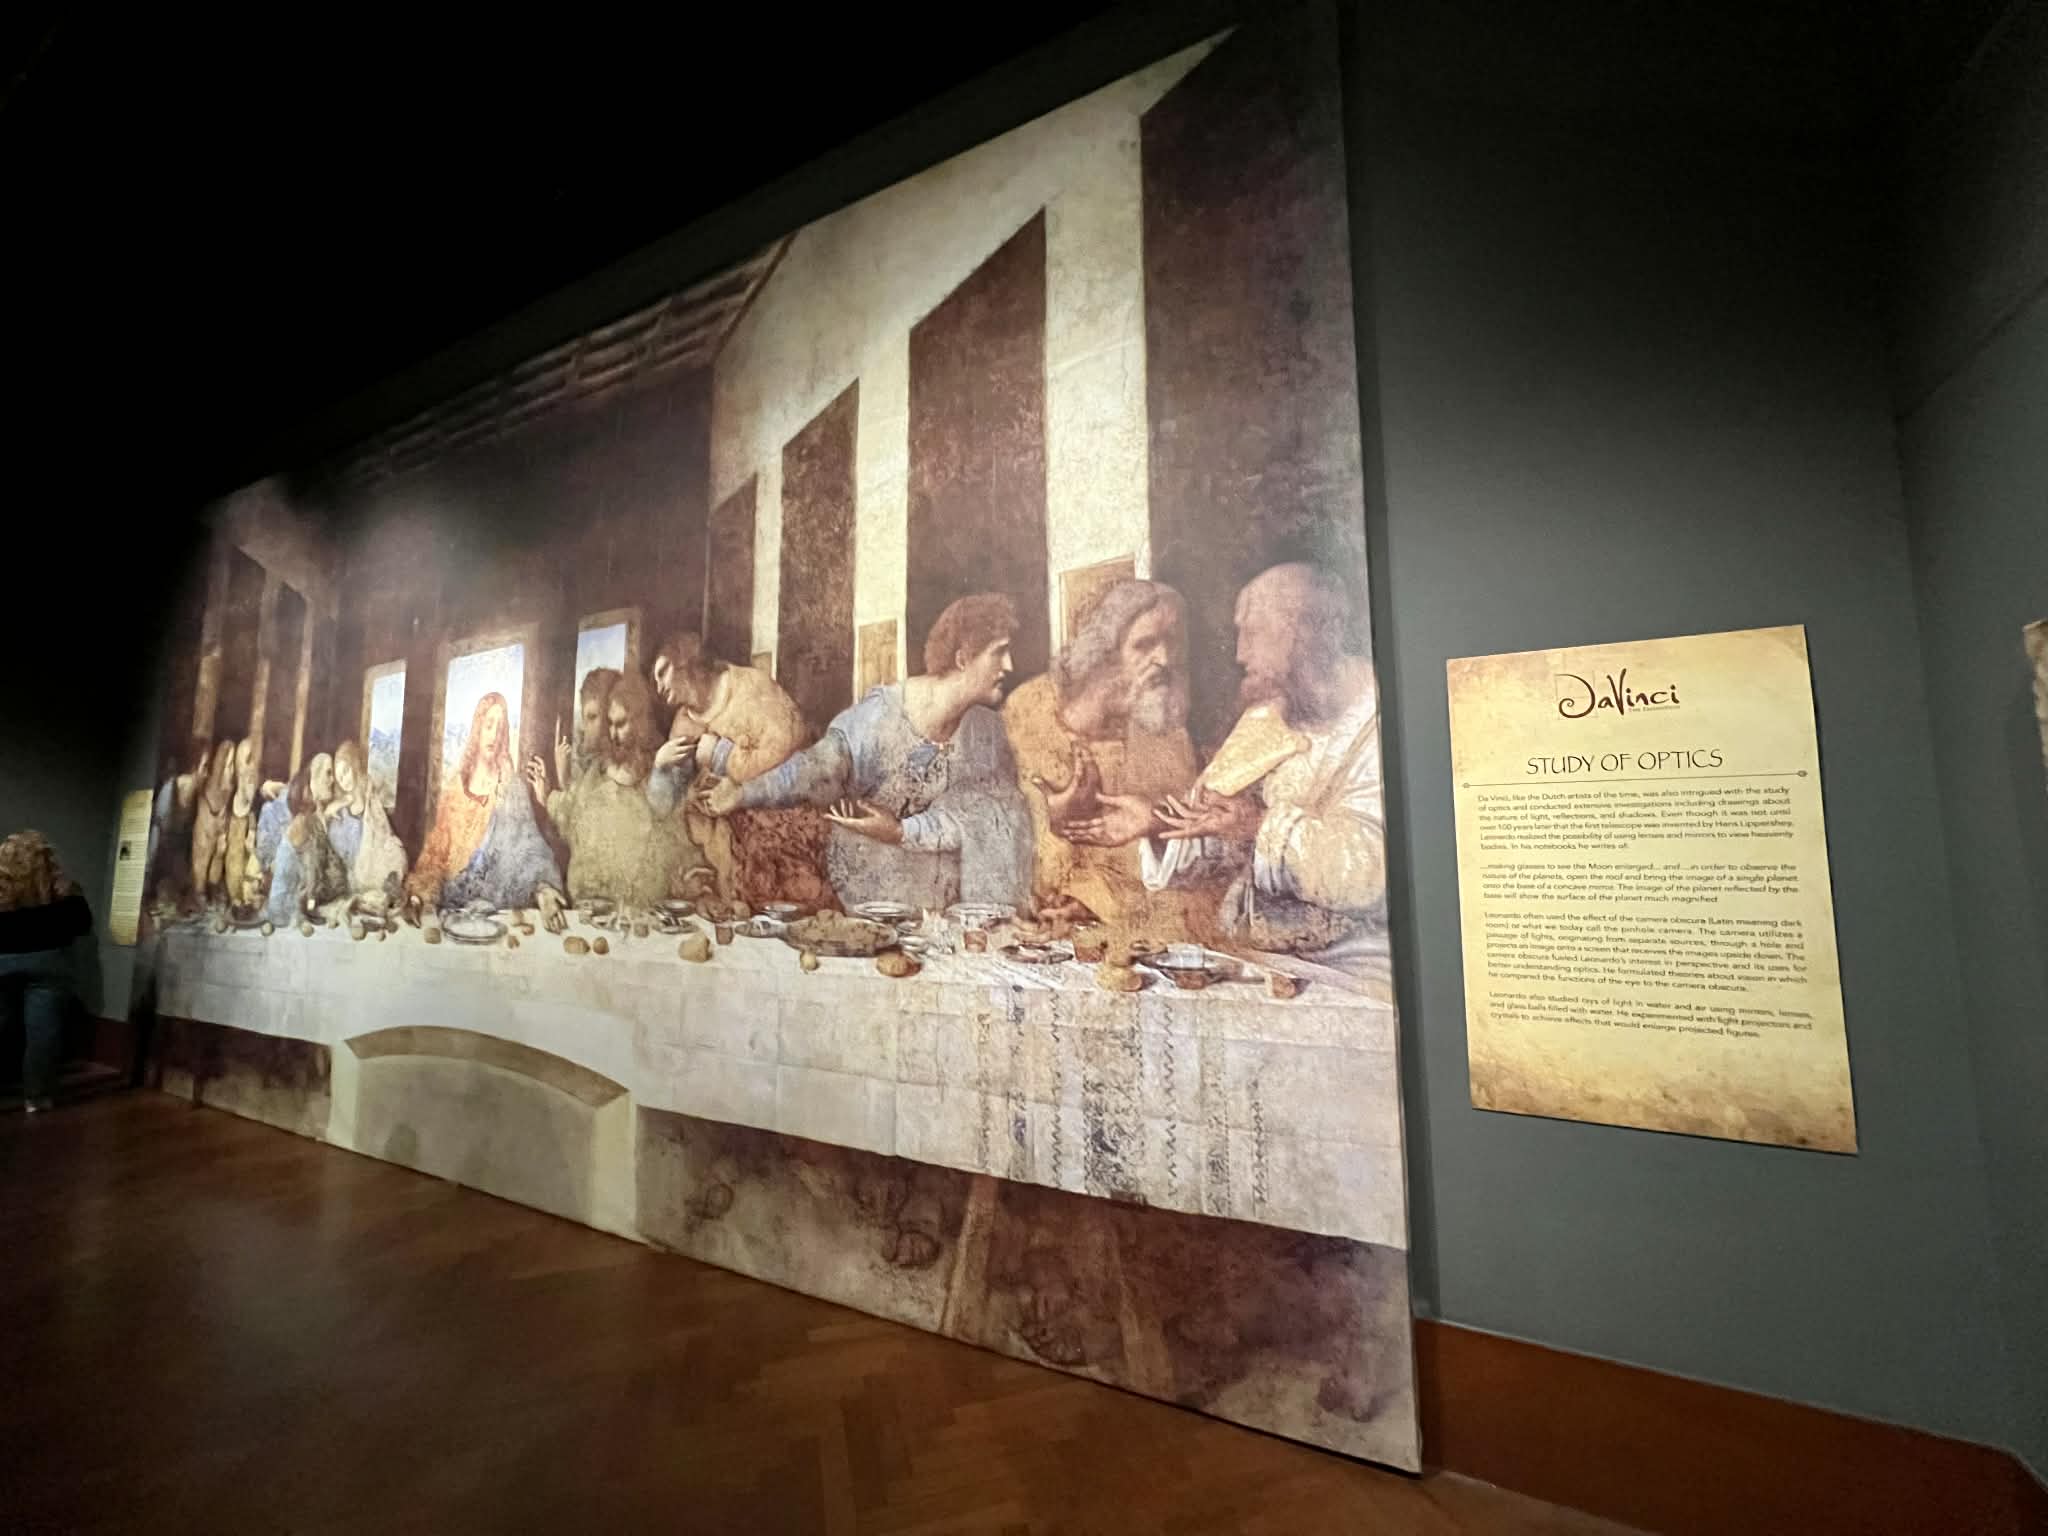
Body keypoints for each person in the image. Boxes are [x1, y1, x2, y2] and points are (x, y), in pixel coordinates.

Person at [698, 593, 1031, 912]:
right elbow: (815, 770)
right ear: (963, 658)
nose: (1010, 665)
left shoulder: (987, 731)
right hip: (872, 894)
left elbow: (988, 815)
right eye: (999, 652)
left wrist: (901, 831)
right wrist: (744, 793)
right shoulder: (880, 715)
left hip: (950, 908)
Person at [1144, 562, 1386, 960]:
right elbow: (1214, 831)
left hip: (1357, 961)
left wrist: (1257, 825)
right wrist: (1154, 824)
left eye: (1253, 633)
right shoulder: (1265, 717)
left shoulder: (1377, 716)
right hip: (1258, 952)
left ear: (1308, 634)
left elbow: (1374, 872)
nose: (1240, 654)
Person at [1003, 579, 1200, 929]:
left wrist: (1090, 902)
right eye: (1145, 644)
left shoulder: (1168, 727)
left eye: (1173, 642)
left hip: (1118, 923)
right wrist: (1048, 812)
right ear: (1106, 653)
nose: (1164, 659)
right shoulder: (1031, 709)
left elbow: (1180, 866)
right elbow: (999, 828)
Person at [648, 632, 827, 908]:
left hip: (778, 826)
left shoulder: (751, 686)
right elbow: (667, 805)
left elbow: (790, 753)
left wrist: (721, 755)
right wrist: (661, 768)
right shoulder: (683, 723)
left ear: (685, 661)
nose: (658, 685)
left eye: (662, 672)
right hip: (719, 846)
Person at [526, 669, 702, 918]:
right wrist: (548, 794)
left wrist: (693, 882)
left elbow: (675, 838)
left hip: (641, 916)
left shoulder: (658, 775)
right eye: (609, 724)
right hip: (589, 911)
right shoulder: (596, 772)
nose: (612, 734)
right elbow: (573, 819)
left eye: (619, 724)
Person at [403, 692, 564, 925]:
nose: (494, 735)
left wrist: (544, 892)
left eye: (500, 728)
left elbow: (529, 851)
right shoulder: (455, 789)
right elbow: (436, 855)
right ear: (477, 729)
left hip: (498, 912)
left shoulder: (511, 789)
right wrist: (418, 896)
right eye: (488, 725)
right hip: (452, 910)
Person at [0, 832, 92, 1113]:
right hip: (49, 963)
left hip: (2, 962)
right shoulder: (64, 894)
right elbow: (82, 924)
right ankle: (36, 1098)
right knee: (43, 1032)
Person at [262, 764, 350, 927]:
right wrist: (310, 903)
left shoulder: (312, 820)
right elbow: (309, 873)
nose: (332, 780)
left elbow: (319, 874)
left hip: (301, 902)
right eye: (327, 774)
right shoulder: (301, 824)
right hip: (285, 910)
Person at [330, 739, 408, 902]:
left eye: (346, 771)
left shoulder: (369, 796)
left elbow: (383, 833)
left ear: (355, 766)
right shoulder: (339, 811)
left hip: (373, 862)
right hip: (351, 872)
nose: (344, 780)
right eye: (339, 778)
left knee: (396, 853)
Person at [146, 738, 213, 913]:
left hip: (176, 863)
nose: (207, 774)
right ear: (193, 768)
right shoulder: (171, 789)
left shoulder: (197, 796)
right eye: (205, 767)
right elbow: (157, 839)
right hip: (158, 862)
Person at [188, 738, 236, 907]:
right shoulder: (208, 784)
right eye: (227, 765)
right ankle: (199, 891)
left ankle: (212, 887)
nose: (230, 770)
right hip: (204, 829)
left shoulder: (228, 788)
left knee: (219, 853)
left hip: (218, 829)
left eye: (232, 765)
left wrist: (222, 829)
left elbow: (224, 811)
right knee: (202, 856)